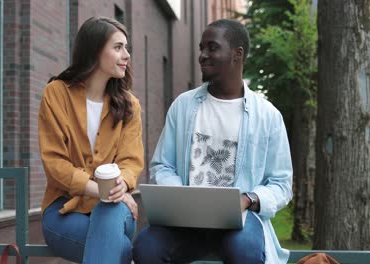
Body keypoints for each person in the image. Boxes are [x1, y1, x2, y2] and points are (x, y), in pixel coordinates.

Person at [133, 19, 293, 264]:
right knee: (147, 247)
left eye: (212, 47)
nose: (202, 55)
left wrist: (248, 199)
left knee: (246, 251)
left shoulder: (268, 116)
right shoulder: (183, 106)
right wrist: (183, 199)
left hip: (239, 222)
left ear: (237, 54)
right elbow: (163, 166)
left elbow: (281, 184)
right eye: (201, 48)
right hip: (185, 221)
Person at [38, 16, 144, 264]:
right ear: (95, 51)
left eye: (126, 48)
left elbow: (131, 162)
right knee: (120, 248)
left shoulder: (130, 106)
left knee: (110, 215)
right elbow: (55, 163)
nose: (126, 55)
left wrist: (119, 188)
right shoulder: (56, 93)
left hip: (115, 209)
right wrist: (101, 191)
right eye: (118, 47)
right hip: (64, 209)